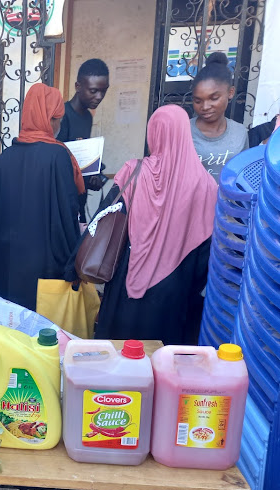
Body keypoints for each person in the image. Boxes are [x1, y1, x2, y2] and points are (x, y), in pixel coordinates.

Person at [95, 104, 217, 345]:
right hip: (174, 293)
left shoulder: (134, 171)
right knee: (161, 366)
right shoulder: (206, 186)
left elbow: (104, 219)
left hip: (125, 285)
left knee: (119, 359)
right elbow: (207, 252)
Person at [0, 83, 83, 312]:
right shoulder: (58, 155)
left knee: (12, 331)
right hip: (45, 267)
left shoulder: (5, 157)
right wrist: (73, 265)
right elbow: (67, 213)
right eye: (58, 118)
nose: (59, 124)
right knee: (41, 336)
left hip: (6, 264)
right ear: (50, 119)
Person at [57, 58, 110, 222]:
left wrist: (93, 174)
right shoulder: (62, 116)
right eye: (93, 91)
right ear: (78, 87)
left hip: (79, 197)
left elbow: (80, 159)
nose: (99, 96)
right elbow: (59, 161)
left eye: (103, 91)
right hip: (62, 201)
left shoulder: (87, 116)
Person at [190, 52, 249, 180]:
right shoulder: (184, 131)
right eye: (198, 101)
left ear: (230, 92)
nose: (205, 107)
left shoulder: (240, 132)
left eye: (214, 98)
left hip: (228, 200)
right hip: (190, 200)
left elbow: (244, 173)